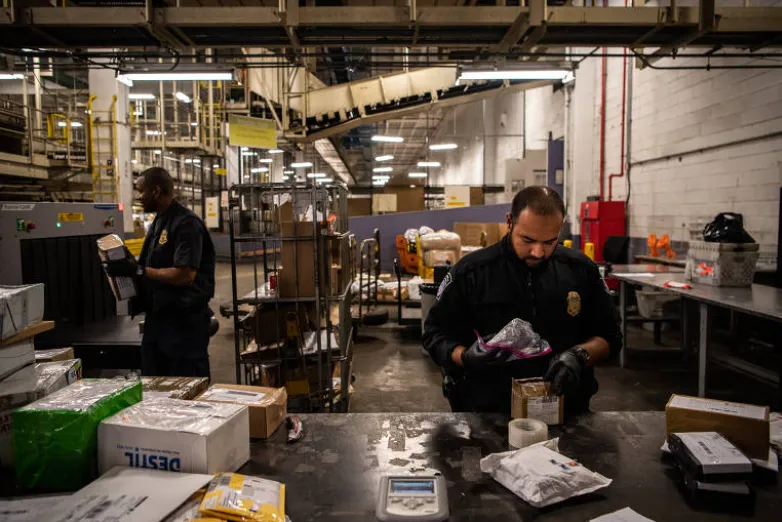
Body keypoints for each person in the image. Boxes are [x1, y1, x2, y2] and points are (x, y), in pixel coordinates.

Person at [422, 186, 621, 413]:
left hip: (565, 406)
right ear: (509, 222)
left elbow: (611, 336)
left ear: (560, 228)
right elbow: (434, 334)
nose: (538, 252)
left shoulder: (581, 270)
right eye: (527, 240)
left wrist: (580, 356)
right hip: (488, 410)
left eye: (549, 242)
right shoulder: (471, 273)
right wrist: (465, 357)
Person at [104, 167, 216, 378]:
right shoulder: (159, 222)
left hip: (183, 328)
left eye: (141, 191)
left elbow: (185, 275)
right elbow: (152, 266)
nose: (138, 197)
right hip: (159, 322)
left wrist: (138, 270)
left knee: (186, 391)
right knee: (154, 387)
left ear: (155, 191)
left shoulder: (186, 223)